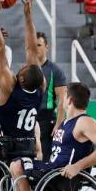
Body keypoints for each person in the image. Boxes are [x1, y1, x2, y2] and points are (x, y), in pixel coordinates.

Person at [11, 83, 96, 191]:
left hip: (62, 174)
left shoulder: (84, 121)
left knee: (17, 164)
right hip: (52, 169)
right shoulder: (66, 122)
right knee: (15, 164)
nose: (60, 100)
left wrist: (77, 166)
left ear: (70, 100)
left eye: (64, 96)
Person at [0, 0, 45, 191]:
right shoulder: (40, 88)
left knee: (20, 187)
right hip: (28, 146)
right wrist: (28, 15)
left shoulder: (10, 87)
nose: (24, 63)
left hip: (11, 148)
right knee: (18, 183)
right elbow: (31, 49)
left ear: (20, 77)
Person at [35, 32, 68, 162]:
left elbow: (62, 100)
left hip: (46, 120)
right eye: (33, 45)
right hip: (29, 121)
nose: (36, 48)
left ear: (46, 47)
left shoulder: (55, 70)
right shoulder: (26, 69)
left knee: (44, 159)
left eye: (39, 45)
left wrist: (58, 124)